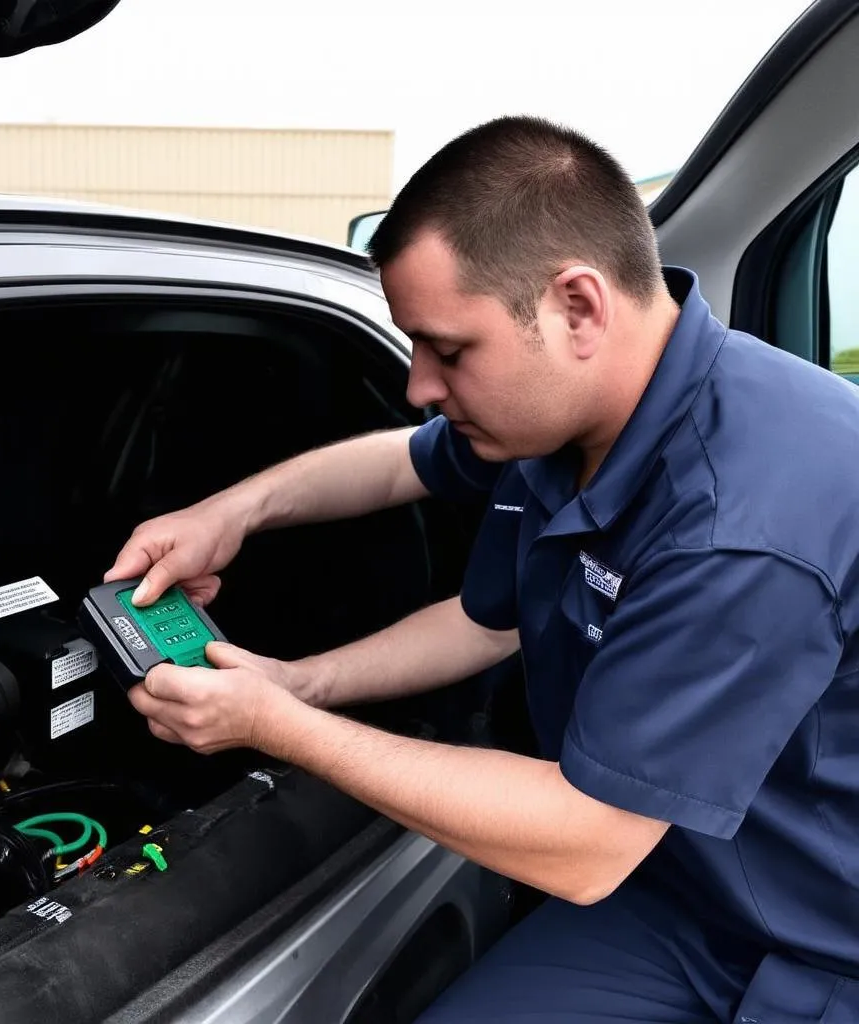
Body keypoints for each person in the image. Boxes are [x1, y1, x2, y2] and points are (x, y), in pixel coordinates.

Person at [105, 117, 859, 1023]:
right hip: (675, 886)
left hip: (816, 941)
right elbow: (452, 558)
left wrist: (276, 727)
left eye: (449, 350)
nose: (420, 383)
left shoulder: (743, 525)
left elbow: (585, 845)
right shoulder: (571, 414)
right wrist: (230, 520)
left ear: (577, 308)